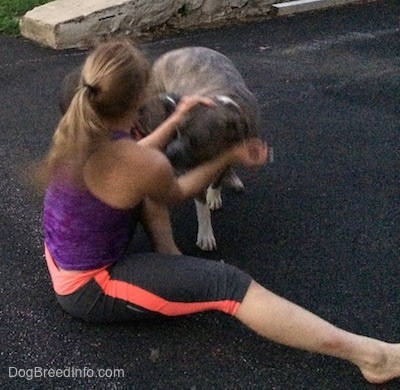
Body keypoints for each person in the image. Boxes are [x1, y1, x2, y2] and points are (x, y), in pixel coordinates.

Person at [39, 38, 400, 385]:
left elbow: (134, 158)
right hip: (91, 289)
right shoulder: (140, 163)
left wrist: (176, 116)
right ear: (137, 100)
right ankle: (374, 358)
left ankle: (167, 258)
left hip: (63, 257)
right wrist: (229, 155)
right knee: (229, 286)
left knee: (142, 193)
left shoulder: (83, 129)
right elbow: (176, 191)